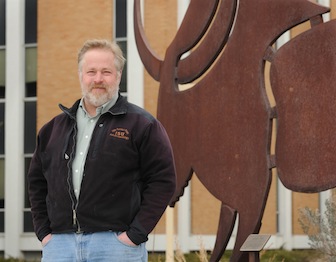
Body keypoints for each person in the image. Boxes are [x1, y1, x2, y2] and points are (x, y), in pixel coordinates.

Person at [27, 39, 176, 262]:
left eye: (106, 71)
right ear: (80, 75)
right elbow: (37, 183)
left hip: (116, 247)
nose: (98, 79)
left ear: (118, 75)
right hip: (59, 246)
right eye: (91, 71)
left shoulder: (142, 125)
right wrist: (44, 233)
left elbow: (163, 181)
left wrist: (134, 235)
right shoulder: (52, 130)